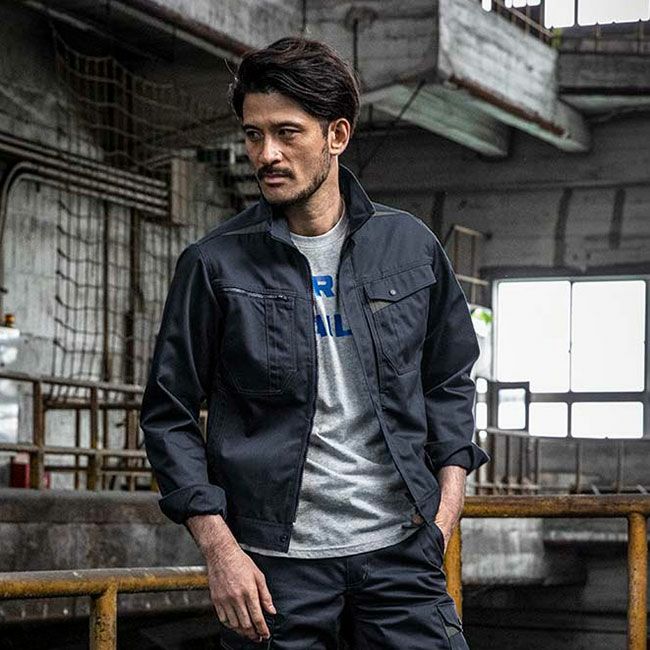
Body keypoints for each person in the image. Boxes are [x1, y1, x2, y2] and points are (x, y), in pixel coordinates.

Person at [140, 36, 489, 650]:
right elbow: (169, 415)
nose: (266, 154)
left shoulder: (409, 246)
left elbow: (449, 380)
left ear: (337, 135)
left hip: (402, 554)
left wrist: (445, 514)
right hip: (275, 570)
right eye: (253, 135)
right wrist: (219, 549)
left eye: (287, 133)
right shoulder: (214, 264)